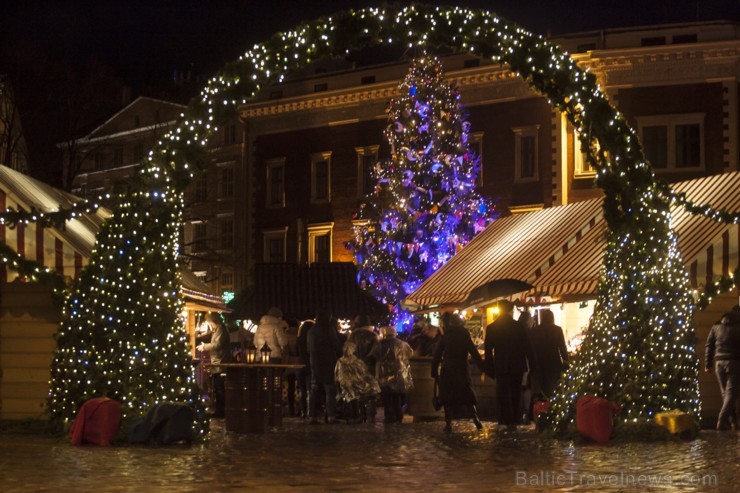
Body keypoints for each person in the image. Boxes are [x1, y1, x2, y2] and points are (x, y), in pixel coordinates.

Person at [484, 300, 537, 430]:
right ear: (511, 310)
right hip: (517, 364)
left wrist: (489, 369)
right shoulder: (519, 327)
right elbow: (527, 347)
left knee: (503, 392)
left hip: (501, 365)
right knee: (516, 392)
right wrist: (532, 363)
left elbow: (488, 352)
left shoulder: (491, 328)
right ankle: (515, 418)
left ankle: (505, 419)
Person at [431, 312, 485, 432]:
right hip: (461, 367)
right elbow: (473, 351)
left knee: (447, 397)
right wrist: (482, 366)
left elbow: (437, 355)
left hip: (448, 368)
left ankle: (448, 423)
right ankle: (476, 420)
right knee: (467, 395)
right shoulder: (464, 334)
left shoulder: (445, 336)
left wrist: (434, 371)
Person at [705, 305, 740, 431]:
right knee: (731, 393)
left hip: (718, 362)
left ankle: (734, 421)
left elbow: (709, 344)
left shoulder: (716, 326)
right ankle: (722, 419)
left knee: (725, 393)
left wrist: (707, 363)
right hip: (734, 362)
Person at [308, 309, 343, 424]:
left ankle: (312, 416)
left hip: (314, 362)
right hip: (328, 363)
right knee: (330, 390)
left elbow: (309, 348)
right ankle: (331, 416)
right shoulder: (328, 329)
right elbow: (336, 345)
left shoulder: (311, 331)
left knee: (314, 390)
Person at [373, 325, 413, 423]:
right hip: (399, 373)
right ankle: (399, 416)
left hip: (384, 373)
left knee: (387, 397)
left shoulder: (379, 344)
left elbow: (374, 355)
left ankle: (389, 416)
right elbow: (410, 354)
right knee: (396, 397)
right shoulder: (402, 344)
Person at [335, 340, 381, 424]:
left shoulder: (340, 361)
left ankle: (350, 417)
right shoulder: (357, 361)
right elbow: (364, 372)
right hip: (356, 383)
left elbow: (336, 374)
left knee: (348, 400)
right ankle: (358, 416)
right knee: (359, 398)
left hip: (345, 384)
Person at [345, 314, 380, 422]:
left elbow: (347, 352)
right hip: (370, 367)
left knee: (358, 392)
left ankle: (359, 416)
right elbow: (376, 353)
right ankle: (371, 416)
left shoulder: (352, 336)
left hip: (356, 367)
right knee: (371, 394)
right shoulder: (373, 336)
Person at [528, 309, 569, 399]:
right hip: (554, 363)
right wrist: (566, 362)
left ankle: (539, 409)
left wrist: (531, 364)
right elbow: (562, 348)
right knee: (553, 389)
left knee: (539, 390)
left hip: (538, 363)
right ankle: (551, 409)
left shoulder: (534, 331)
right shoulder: (557, 330)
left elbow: (530, 349)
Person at [197, 312, 231, 418]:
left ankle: (221, 411)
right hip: (217, 363)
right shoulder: (218, 330)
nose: (211, 325)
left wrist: (205, 347)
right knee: (218, 388)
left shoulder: (221, 330)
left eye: (211, 323)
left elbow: (218, 344)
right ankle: (219, 410)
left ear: (215, 322)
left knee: (220, 389)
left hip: (220, 363)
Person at [296, 319, 315, 419]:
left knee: (301, 390)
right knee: (310, 390)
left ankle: (303, 411)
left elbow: (295, 352)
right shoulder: (313, 339)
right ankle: (310, 411)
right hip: (311, 365)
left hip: (300, 365)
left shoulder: (299, 339)